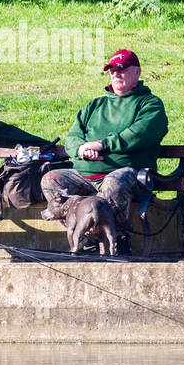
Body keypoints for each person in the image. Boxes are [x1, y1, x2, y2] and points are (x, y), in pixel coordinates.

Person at [41, 49, 168, 252]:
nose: (116, 74)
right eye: (112, 70)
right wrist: (82, 149)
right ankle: (88, 237)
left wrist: (101, 144)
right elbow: (72, 138)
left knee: (113, 183)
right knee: (51, 179)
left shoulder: (150, 104)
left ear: (137, 71)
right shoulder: (94, 106)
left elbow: (138, 134)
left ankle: (118, 239)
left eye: (122, 69)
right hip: (85, 176)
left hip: (128, 175)